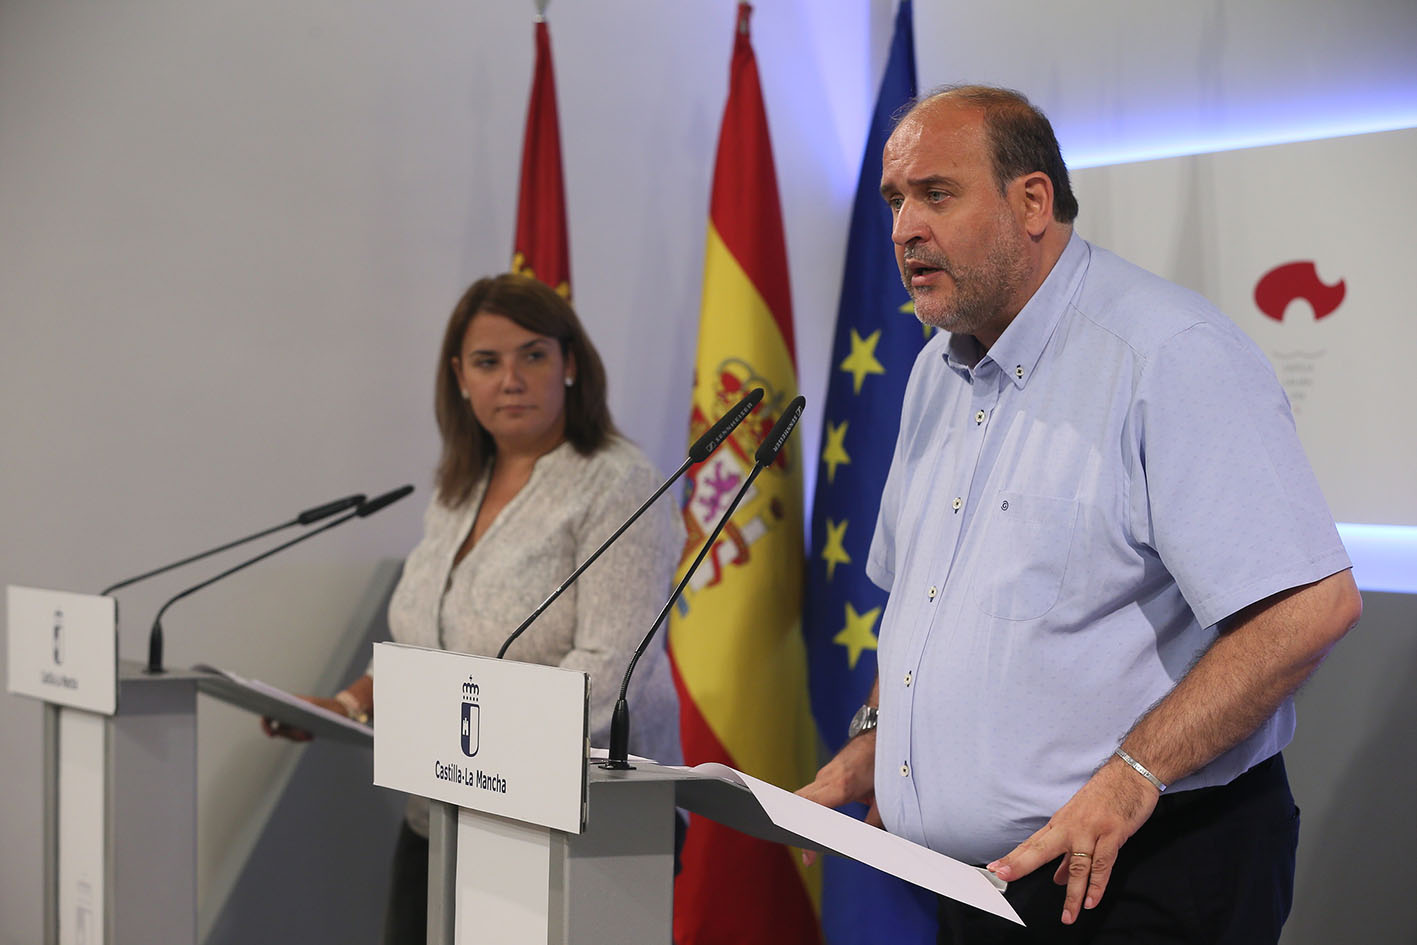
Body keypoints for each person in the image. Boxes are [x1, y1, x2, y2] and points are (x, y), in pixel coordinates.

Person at [796, 85, 1361, 944]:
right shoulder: (929, 374)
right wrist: (881, 734)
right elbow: (923, 602)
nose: (904, 227)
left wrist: (1134, 771)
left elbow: (1308, 607)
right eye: (894, 200)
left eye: (935, 194)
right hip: (977, 886)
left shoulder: (1164, 356)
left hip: (1143, 873)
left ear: (1031, 202)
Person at [265, 272, 684, 945]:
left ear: (570, 363)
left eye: (533, 355)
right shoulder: (459, 484)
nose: (510, 378)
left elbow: (610, 674)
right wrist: (346, 706)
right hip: (444, 809)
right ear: (460, 377)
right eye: (488, 361)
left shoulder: (619, 483)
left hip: (574, 825)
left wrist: (465, 742)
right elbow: (431, 644)